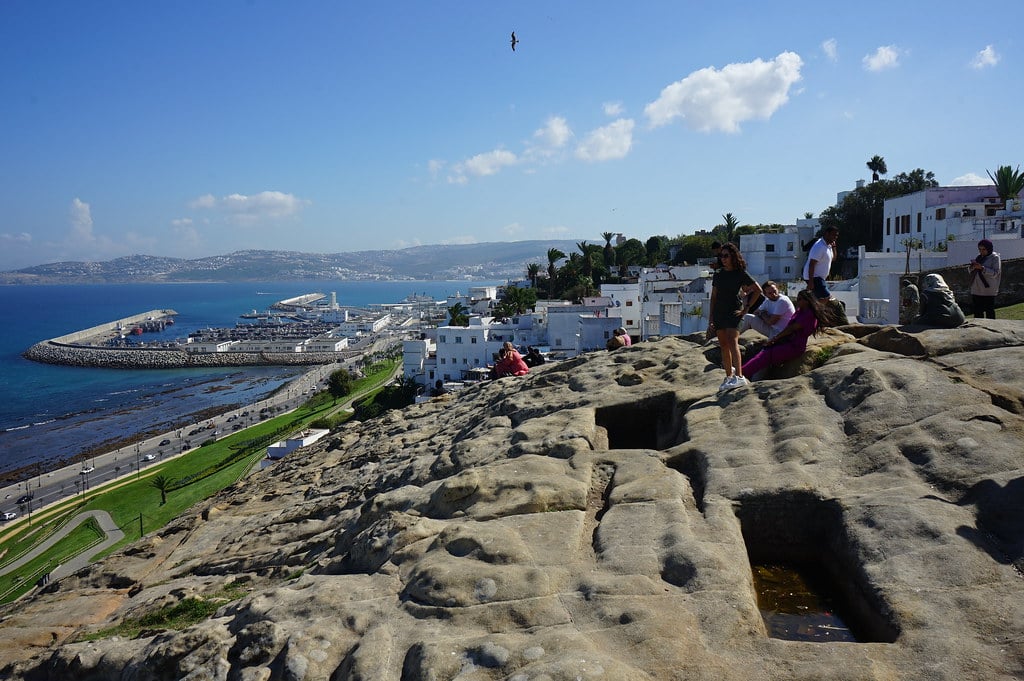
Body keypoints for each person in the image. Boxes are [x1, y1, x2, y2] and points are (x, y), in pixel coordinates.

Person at [708, 243, 762, 391]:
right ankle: (729, 377)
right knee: (723, 345)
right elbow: (713, 297)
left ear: (733, 256)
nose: (723, 259)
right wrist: (711, 318)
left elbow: (758, 290)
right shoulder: (718, 274)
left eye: (726, 256)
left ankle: (739, 376)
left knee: (732, 341)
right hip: (719, 312)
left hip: (734, 312)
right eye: (721, 256)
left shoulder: (740, 273)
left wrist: (747, 308)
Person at [742, 289, 827, 380]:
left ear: (807, 300)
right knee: (765, 351)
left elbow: (791, 328)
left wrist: (775, 338)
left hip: (795, 346)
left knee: (767, 355)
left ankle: (743, 373)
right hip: (788, 341)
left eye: (800, 299)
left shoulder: (809, 314)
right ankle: (747, 375)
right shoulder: (800, 311)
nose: (797, 301)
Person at [803, 226, 839, 300]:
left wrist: (834, 247)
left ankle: (815, 309)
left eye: (836, 236)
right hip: (815, 277)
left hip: (820, 278)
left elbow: (833, 258)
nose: (835, 237)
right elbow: (812, 264)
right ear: (827, 234)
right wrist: (811, 282)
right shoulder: (819, 246)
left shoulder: (828, 246)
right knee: (827, 298)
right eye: (833, 235)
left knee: (819, 299)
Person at [969, 239, 1001, 319]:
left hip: (988, 289)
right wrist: (972, 267)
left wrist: (982, 268)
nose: (981, 251)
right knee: (977, 312)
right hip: (977, 288)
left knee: (989, 311)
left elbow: (996, 273)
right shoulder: (979, 257)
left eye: (983, 249)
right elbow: (970, 271)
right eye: (980, 249)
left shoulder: (995, 258)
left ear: (989, 248)